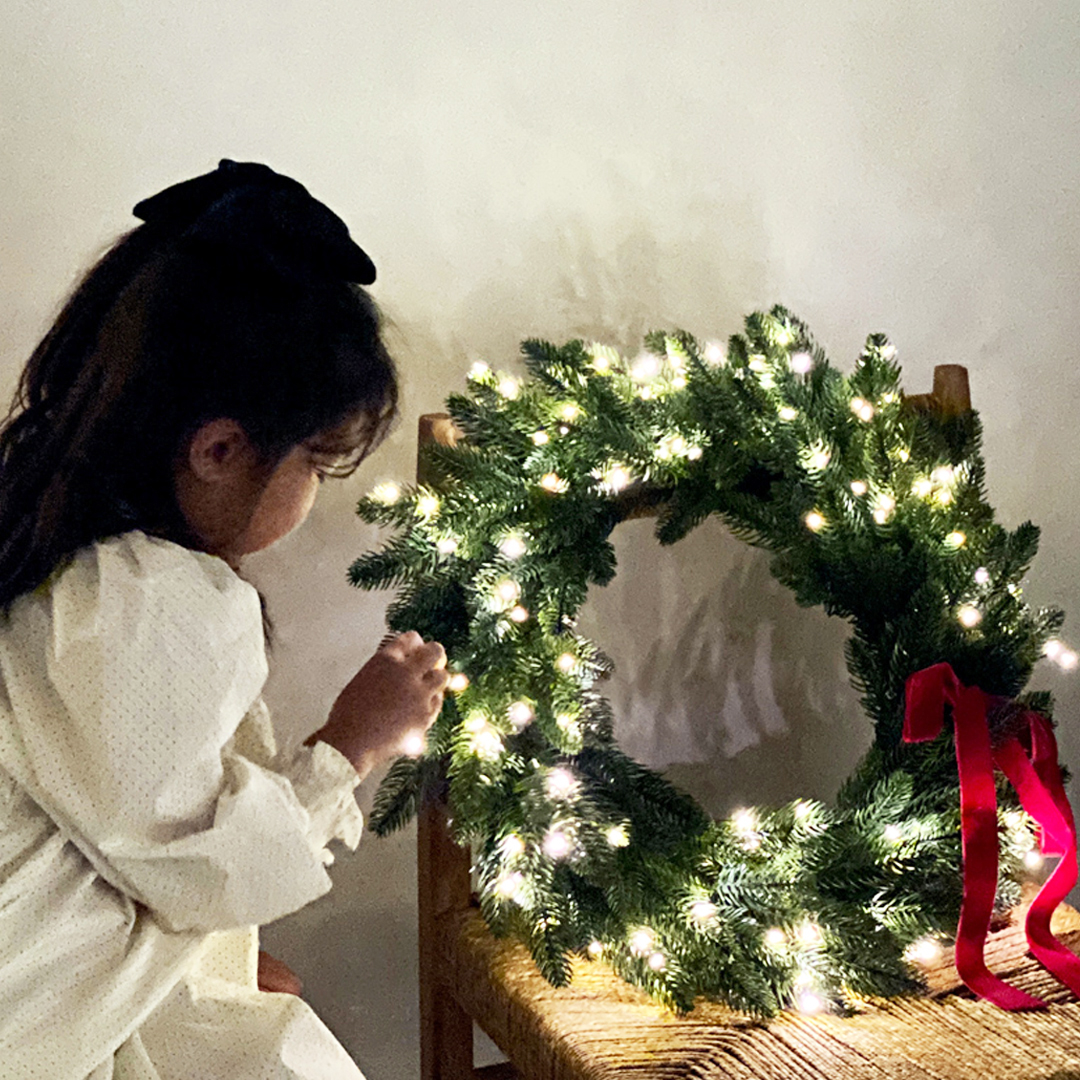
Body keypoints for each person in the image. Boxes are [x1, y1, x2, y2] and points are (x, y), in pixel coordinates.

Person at [0, 160, 449, 1079]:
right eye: (316, 466)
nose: (313, 497)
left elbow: (115, 829)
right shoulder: (147, 601)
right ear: (219, 450)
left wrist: (218, 960)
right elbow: (192, 852)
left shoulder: (53, 548)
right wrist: (349, 746)